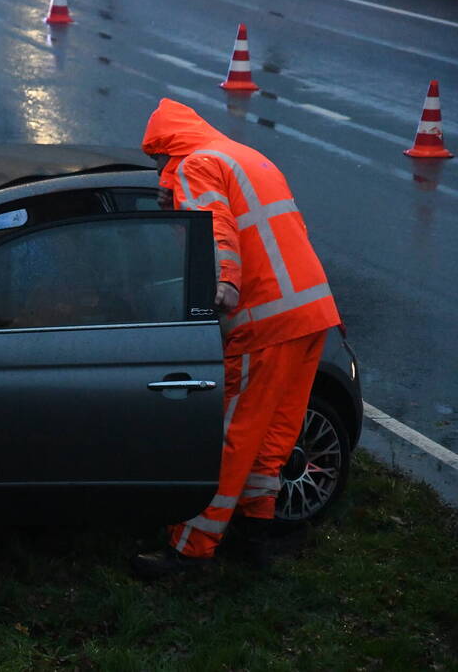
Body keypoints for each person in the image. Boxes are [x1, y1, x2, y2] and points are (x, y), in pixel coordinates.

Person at [132, 98, 342, 577]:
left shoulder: (194, 164)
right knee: (275, 435)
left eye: (158, 161)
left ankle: (190, 549)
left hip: (264, 320)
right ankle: (257, 537)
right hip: (311, 313)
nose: (161, 171)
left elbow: (213, 227)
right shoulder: (248, 157)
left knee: (231, 437)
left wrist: (223, 283)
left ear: (166, 149)